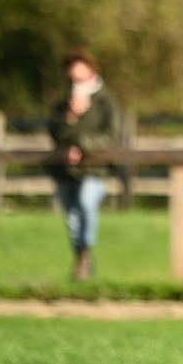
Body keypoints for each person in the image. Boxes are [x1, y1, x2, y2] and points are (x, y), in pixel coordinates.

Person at [47, 48, 120, 280]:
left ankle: (84, 254)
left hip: (94, 170)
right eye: (73, 78)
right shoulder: (65, 103)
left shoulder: (106, 102)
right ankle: (83, 258)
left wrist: (82, 146)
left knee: (86, 203)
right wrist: (70, 115)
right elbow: (55, 133)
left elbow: (111, 135)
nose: (76, 82)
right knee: (72, 218)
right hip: (67, 171)